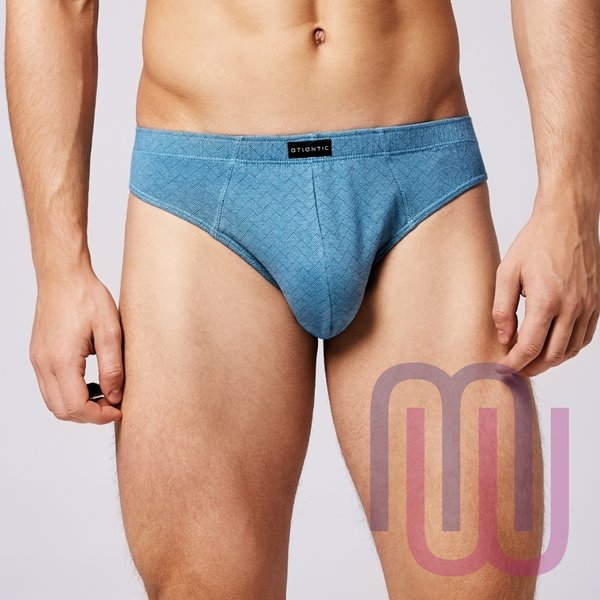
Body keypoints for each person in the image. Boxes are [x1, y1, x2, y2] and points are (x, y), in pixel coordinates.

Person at [5, 1, 599, 599]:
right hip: (203, 203)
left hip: (422, 189)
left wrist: (569, 203)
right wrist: (60, 270)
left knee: (475, 580)